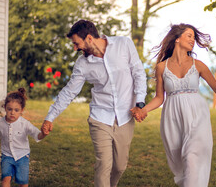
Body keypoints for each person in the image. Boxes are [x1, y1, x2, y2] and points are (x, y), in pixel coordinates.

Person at [131, 23, 216, 187]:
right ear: (177, 38)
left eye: (194, 37)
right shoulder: (162, 67)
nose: (192, 40)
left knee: (192, 157)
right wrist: (143, 110)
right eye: (189, 36)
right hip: (172, 118)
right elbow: (160, 98)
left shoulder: (198, 65)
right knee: (182, 164)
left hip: (197, 115)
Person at [41, 20, 147, 187]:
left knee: (119, 167)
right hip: (100, 117)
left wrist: (140, 102)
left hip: (125, 117)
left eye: (76, 43)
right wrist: (50, 117)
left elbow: (139, 73)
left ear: (89, 38)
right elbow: (70, 91)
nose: (75, 48)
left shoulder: (123, 44)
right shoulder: (82, 64)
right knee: (104, 164)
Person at [0, 88, 46, 187]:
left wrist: (44, 134)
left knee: (23, 183)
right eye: (9, 109)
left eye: (16, 110)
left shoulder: (25, 124)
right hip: (7, 156)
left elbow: (37, 135)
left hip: (22, 156)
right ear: (5, 108)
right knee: (5, 179)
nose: (12, 113)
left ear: (22, 110)